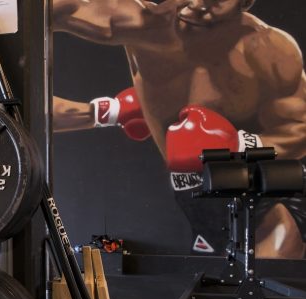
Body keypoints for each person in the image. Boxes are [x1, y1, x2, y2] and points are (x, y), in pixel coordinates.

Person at [52, 0, 306, 258]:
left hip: (257, 198)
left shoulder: (267, 48)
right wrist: (110, 111)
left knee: (272, 260)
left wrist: (238, 145)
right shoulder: (139, 24)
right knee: (209, 277)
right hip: (192, 203)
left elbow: (299, 128)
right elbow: (43, 11)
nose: (199, 2)